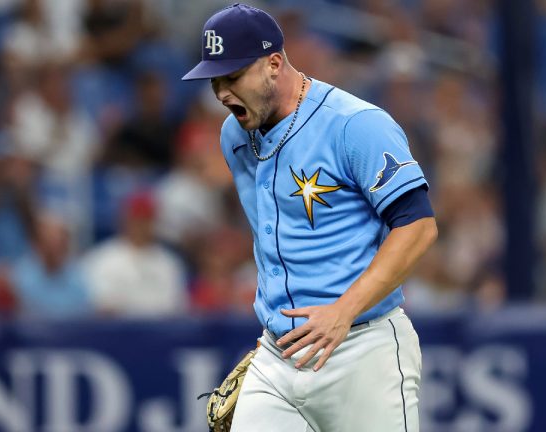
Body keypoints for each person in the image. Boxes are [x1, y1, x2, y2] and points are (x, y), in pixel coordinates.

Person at [182, 4, 437, 431]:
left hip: (363, 347)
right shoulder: (235, 135)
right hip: (278, 355)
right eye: (215, 81)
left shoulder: (355, 124)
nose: (223, 93)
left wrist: (343, 310)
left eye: (233, 77)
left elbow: (418, 227)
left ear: (273, 65)